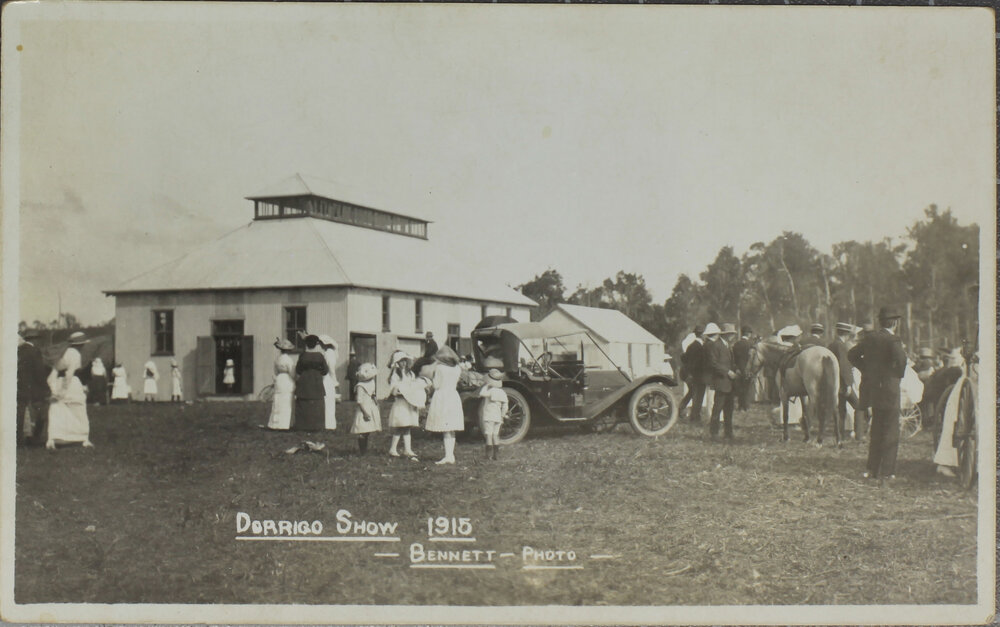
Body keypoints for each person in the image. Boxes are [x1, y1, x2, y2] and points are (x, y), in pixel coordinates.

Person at [848, 307, 907, 482]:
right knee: (891, 430)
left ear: (880, 322)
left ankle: (872, 469)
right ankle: (887, 471)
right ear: (895, 323)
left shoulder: (870, 338)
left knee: (876, 429)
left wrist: (866, 369)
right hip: (890, 389)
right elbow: (902, 361)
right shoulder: (893, 340)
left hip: (873, 389)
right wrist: (896, 374)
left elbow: (851, 354)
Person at [46, 331, 93, 449]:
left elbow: (52, 375)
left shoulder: (61, 354)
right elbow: (69, 374)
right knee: (79, 410)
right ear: (80, 345)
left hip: (58, 382)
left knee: (57, 411)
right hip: (72, 384)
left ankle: (54, 438)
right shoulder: (75, 354)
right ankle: (83, 438)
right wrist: (63, 391)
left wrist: (54, 390)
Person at [425, 345, 464, 464]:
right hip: (453, 395)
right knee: (451, 428)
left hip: (442, 396)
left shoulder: (440, 368)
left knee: (446, 427)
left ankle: (448, 456)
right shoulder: (457, 368)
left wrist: (431, 379)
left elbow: (437, 385)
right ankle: (450, 455)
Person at [16, 329, 49, 447]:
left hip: (20, 386)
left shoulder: (19, 350)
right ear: (34, 339)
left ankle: (20, 438)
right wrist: (46, 387)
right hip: (34, 388)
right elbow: (39, 372)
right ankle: (34, 439)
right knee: (40, 413)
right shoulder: (34, 351)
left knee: (21, 413)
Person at [705, 323, 738, 440]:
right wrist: (727, 372)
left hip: (729, 383)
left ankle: (728, 433)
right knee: (717, 408)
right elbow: (713, 364)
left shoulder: (728, 346)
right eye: (730, 334)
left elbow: (730, 362)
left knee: (729, 409)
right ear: (725, 334)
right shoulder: (716, 346)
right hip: (721, 381)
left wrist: (735, 369)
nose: (732, 336)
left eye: (733, 334)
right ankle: (714, 433)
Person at [386, 350, 421, 459]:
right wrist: (399, 392)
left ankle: (407, 449)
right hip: (401, 403)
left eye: (405, 361)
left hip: (409, 402)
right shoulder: (395, 375)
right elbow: (393, 389)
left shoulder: (410, 374)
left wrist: (415, 396)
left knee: (407, 426)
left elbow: (414, 386)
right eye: (401, 361)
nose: (403, 363)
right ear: (397, 362)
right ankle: (393, 448)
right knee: (400, 425)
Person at [828, 322, 859, 438]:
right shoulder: (841, 346)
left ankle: (839, 434)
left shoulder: (831, 345)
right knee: (859, 406)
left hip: (834, 383)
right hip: (843, 383)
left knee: (841, 410)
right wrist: (848, 384)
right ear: (846, 334)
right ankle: (859, 435)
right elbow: (843, 366)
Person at [293, 334, 328, 431]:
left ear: (306, 344)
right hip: (316, 380)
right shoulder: (320, 356)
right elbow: (325, 370)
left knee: (303, 402)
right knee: (317, 403)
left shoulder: (303, 355)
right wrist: (317, 372)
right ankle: (317, 426)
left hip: (304, 381)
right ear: (316, 344)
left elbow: (298, 370)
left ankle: (302, 425)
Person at [679, 324, 708, 423]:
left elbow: (684, 358)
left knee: (692, 393)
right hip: (697, 375)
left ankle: (681, 408)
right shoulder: (700, 347)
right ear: (702, 335)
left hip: (689, 374)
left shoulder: (691, 346)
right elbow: (695, 363)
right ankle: (695, 418)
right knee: (698, 396)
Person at [351, 362, 381, 454]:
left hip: (371, 406)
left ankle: (365, 449)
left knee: (368, 429)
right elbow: (359, 401)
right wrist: (364, 413)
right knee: (363, 429)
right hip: (364, 408)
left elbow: (372, 393)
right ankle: (362, 450)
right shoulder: (360, 386)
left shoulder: (372, 382)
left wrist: (376, 401)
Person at [479, 369, 508, 461]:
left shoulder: (491, 391)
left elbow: (481, 394)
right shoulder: (502, 392)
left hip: (489, 415)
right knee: (495, 434)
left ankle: (488, 455)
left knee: (489, 434)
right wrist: (503, 415)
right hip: (498, 416)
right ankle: (496, 455)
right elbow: (505, 405)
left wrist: (486, 386)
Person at [267, 339, 296, 430]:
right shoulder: (289, 360)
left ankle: (275, 423)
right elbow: (292, 372)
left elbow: (275, 371)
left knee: (278, 401)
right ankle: (284, 424)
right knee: (286, 401)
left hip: (279, 379)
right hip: (287, 379)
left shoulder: (277, 359)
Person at [317, 335, 339, 431]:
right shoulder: (328, 353)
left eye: (321, 343)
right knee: (327, 401)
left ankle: (329, 424)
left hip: (328, 379)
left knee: (328, 401)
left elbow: (331, 369)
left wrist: (335, 382)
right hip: (326, 378)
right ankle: (326, 423)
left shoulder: (329, 353)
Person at [731, 325, 753, 412]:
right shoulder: (750, 344)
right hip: (748, 369)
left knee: (740, 388)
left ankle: (740, 406)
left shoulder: (736, 344)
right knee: (747, 388)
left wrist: (737, 367)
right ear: (748, 334)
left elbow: (733, 357)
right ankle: (746, 406)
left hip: (738, 369)